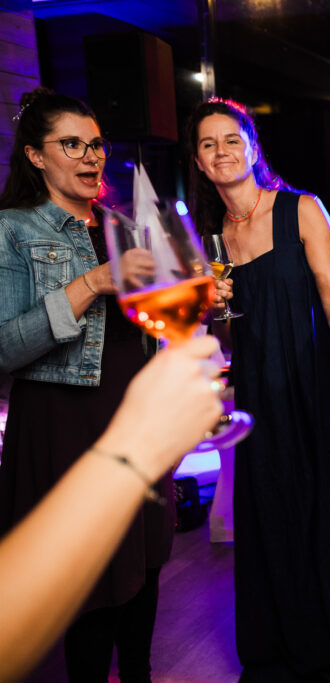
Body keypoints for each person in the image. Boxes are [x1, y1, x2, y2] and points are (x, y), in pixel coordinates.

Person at [186, 98, 330, 680]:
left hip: (323, 375)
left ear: (252, 146)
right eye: (209, 144)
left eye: (231, 139)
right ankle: (291, 627)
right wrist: (209, 309)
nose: (222, 152)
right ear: (197, 158)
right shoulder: (209, 237)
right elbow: (223, 324)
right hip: (262, 388)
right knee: (276, 500)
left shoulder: (300, 208)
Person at [0, 87, 174, 681]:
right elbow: (4, 348)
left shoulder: (122, 224)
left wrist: (181, 305)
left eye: (95, 144)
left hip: (132, 416)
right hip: (63, 426)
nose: (88, 156)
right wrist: (91, 284)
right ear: (35, 156)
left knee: (145, 566)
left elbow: (148, 327)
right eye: (69, 144)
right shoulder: (12, 230)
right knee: (91, 580)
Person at [0, 337, 222, 681]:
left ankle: (138, 672)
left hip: (132, 382)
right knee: (87, 567)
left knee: (145, 548)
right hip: (68, 403)